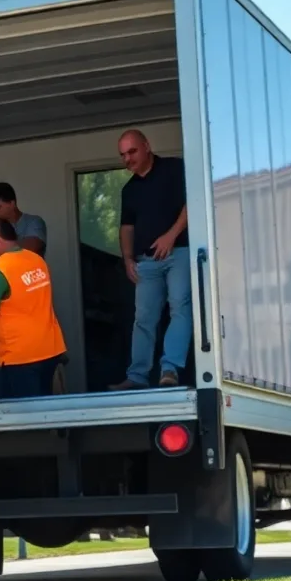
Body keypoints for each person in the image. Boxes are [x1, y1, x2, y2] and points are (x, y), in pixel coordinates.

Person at [109, 129, 191, 391]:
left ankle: (170, 370)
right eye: (123, 155)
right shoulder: (129, 189)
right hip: (146, 261)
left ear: (146, 146)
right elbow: (126, 227)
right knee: (143, 318)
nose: (127, 159)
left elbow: (193, 203)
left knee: (180, 306)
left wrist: (170, 236)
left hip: (179, 251)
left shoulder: (175, 168)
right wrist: (127, 259)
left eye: (132, 151)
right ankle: (137, 377)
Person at [0, 219, 66, 400]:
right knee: (44, 413)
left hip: (19, 356)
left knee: (22, 418)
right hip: (50, 349)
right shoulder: (37, 261)